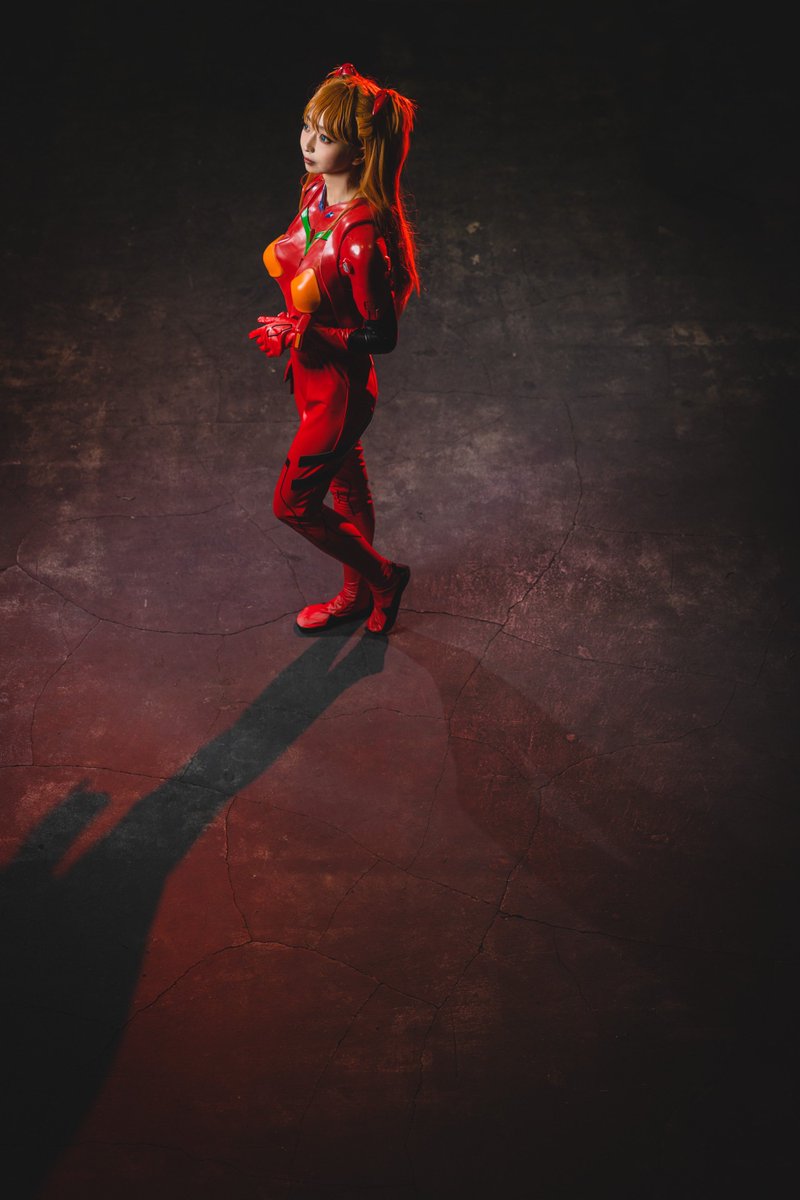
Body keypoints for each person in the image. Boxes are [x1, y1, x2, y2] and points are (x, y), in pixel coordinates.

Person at [249, 63, 419, 635]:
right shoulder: (315, 192)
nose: (308, 143)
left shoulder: (361, 239)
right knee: (345, 486)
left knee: (293, 504)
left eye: (325, 136)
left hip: (340, 391)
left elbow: (382, 336)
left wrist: (307, 332)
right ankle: (356, 591)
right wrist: (294, 328)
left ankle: (384, 577)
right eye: (307, 127)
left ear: (360, 148)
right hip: (308, 376)